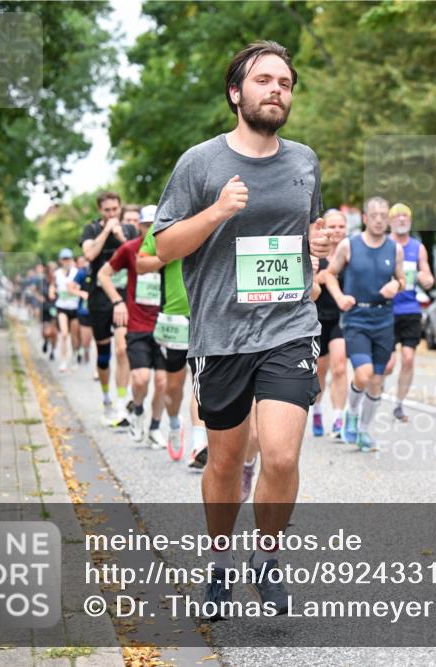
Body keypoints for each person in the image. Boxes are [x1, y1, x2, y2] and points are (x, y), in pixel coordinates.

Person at [152, 40, 332, 619]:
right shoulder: (200, 164)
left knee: (279, 456)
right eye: (263, 81)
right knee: (226, 463)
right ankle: (220, 563)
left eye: (284, 82)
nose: (276, 89)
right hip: (221, 335)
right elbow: (162, 247)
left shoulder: (304, 160)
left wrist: (321, 247)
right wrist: (217, 212)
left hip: (289, 326)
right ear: (236, 93)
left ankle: (268, 559)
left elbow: (310, 237)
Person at [323, 197, 404, 451]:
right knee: (363, 373)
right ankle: (352, 412)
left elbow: (402, 278)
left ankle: (364, 431)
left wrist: (397, 285)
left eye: (384, 215)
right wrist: (339, 297)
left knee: (377, 381)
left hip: (383, 319)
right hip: (357, 318)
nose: (379, 219)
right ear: (366, 219)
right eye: (374, 215)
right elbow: (329, 275)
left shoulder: (395, 249)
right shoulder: (349, 245)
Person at [99, 205, 169, 448]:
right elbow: (103, 274)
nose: (150, 229)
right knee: (140, 379)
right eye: (146, 224)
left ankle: (155, 427)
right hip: (137, 323)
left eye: (154, 224)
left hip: (166, 324)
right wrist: (117, 301)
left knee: (162, 382)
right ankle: (137, 411)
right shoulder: (129, 248)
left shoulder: (171, 248)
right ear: (138, 225)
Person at [80, 192, 140, 425]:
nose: (112, 214)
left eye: (115, 209)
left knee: (122, 350)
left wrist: (120, 235)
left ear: (120, 208)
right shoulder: (91, 230)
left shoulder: (130, 231)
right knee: (103, 356)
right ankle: (106, 399)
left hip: (123, 299)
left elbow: (136, 257)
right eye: (107, 210)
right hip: (99, 300)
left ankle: (122, 404)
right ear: (100, 211)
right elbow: (89, 254)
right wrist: (106, 231)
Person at [382, 203, 435, 422]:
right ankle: (377, 388)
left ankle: (399, 404)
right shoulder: (384, 245)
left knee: (408, 359)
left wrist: (424, 278)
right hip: (386, 310)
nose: (402, 220)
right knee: (388, 364)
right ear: (390, 222)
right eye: (397, 217)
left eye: (406, 216)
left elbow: (429, 280)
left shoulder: (418, 247)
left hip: (410, 310)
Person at [309, 209, 350, 437]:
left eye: (341, 226)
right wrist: (318, 276)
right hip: (316, 319)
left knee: (340, 366)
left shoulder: (350, 254)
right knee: (319, 371)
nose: (337, 231)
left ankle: (337, 418)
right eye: (332, 226)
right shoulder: (317, 254)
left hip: (341, 319)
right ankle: (316, 410)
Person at [51, 249, 81, 373]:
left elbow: (81, 286)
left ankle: (74, 355)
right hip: (62, 307)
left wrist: (74, 290)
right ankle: (63, 360)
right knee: (64, 334)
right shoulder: (56, 273)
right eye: (64, 259)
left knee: (74, 336)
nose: (66, 261)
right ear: (60, 260)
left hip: (74, 307)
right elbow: (53, 285)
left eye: (68, 258)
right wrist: (52, 291)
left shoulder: (77, 273)